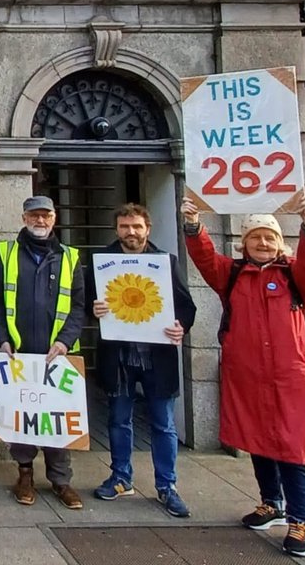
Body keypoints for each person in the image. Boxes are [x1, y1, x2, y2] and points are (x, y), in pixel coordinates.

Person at [182, 192, 305, 558]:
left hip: (289, 376)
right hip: (248, 374)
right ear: (244, 243)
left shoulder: (295, 275)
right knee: (258, 440)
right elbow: (203, 256)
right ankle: (271, 503)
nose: (263, 243)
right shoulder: (232, 274)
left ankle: (301, 520)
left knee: (292, 449)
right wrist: (193, 224)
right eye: (255, 237)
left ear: (280, 243)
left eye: (270, 237)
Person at [88, 204, 197, 517]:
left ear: (147, 229)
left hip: (156, 357)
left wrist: (181, 326)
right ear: (117, 229)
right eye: (125, 227)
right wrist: (93, 311)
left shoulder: (165, 263)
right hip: (119, 356)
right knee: (118, 420)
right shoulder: (101, 263)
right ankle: (121, 476)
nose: (130, 232)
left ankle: (167, 485)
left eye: (136, 226)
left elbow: (185, 306)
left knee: (163, 424)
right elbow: (85, 303)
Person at [0, 195, 85, 510]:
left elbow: (79, 307)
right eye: (34, 216)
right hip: (19, 351)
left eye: (45, 216)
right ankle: (25, 474)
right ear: (23, 218)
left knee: (56, 418)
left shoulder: (70, 257)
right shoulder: (6, 253)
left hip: (57, 354)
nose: (40, 221)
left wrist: (66, 341)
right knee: (23, 417)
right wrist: (2, 338)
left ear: (54, 218)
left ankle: (61, 480)